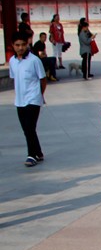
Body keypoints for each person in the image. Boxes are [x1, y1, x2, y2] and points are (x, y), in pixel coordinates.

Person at [11, 32, 47, 167]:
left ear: (27, 45)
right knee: (27, 129)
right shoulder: (12, 61)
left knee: (29, 127)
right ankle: (38, 151)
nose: (20, 48)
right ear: (13, 46)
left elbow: (43, 80)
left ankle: (31, 155)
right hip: (20, 100)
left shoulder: (34, 60)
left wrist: (39, 95)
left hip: (33, 99)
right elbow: (15, 78)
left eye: (23, 45)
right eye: (17, 45)